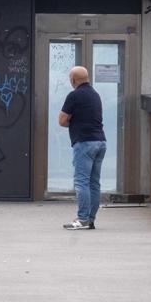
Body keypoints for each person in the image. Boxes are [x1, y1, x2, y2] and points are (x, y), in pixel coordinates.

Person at [58, 65, 106, 230]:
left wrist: (74, 122)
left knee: (81, 182)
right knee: (94, 183)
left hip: (84, 143)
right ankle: (90, 219)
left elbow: (62, 120)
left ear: (73, 80)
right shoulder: (96, 95)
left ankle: (82, 219)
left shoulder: (74, 95)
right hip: (100, 142)